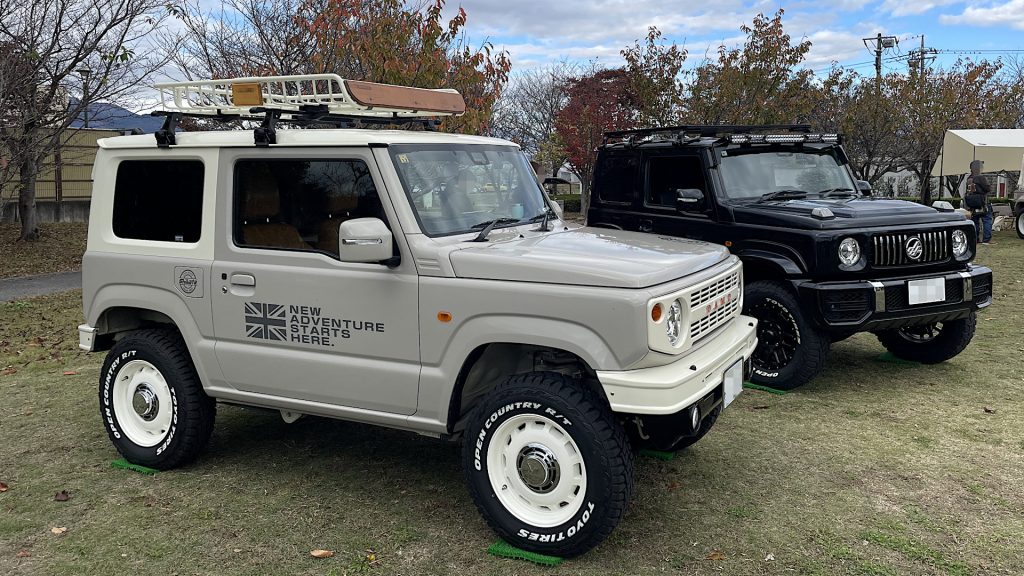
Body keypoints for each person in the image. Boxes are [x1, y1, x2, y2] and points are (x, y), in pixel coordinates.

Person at [966, 160, 993, 244]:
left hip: (973, 202)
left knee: (975, 220)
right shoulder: (981, 177)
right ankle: (986, 240)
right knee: (987, 219)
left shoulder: (969, 178)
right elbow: (987, 189)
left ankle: (976, 238)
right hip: (983, 201)